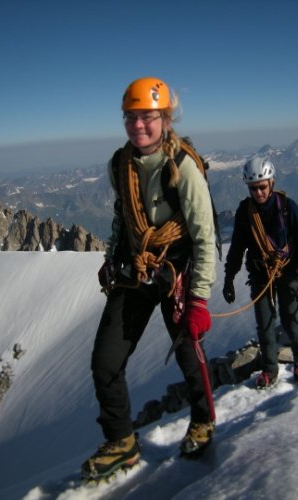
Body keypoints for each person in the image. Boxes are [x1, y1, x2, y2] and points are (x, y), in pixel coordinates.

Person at [82, 77, 218, 480]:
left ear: (165, 118)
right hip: (136, 267)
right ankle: (121, 440)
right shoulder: (119, 165)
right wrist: (112, 258)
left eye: (147, 117)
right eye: (131, 117)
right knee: (105, 360)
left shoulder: (184, 166)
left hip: (176, 267)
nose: (138, 125)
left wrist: (198, 301)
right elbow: (124, 218)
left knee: (186, 347)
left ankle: (203, 418)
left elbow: (204, 236)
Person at [222, 157, 298, 389]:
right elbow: (237, 248)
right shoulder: (245, 213)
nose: (258, 192)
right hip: (260, 275)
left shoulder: (288, 208)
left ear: (272, 183)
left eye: (262, 186)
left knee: (290, 318)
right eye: (253, 188)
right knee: (265, 323)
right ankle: (269, 369)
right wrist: (229, 277)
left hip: (287, 272)